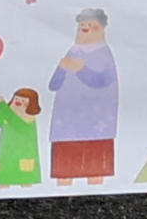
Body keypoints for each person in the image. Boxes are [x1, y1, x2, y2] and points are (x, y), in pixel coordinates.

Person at [46, 14, 117, 185]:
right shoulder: (73, 51)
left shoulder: (104, 53)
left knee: (95, 165)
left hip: (97, 121)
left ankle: (96, 191)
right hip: (66, 121)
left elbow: (104, 81)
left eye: (91, 25)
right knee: (65, 167)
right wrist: (62, 69)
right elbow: (53, 85)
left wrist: (81, 70)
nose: (85, 28)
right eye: (82, 25)